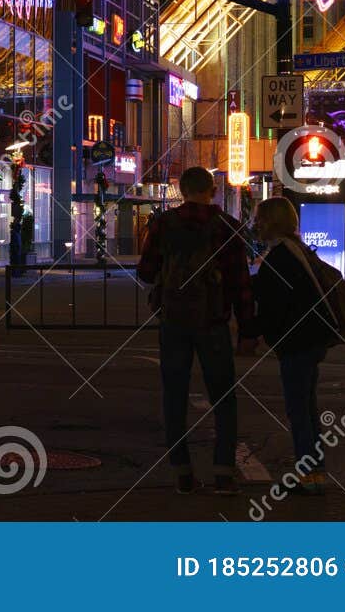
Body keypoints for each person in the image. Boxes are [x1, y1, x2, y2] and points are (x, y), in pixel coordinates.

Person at [137, 166, 259, 496]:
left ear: (181, 189)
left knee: (174, 397)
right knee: (223, 398)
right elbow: (241, 284)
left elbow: (146, 273)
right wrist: (248, 330)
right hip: (213, 323)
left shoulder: (163, 225)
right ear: (213, 191)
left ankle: (183, 472)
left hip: (174, 322)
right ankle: (222, 473)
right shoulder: (227, 228)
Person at [252, 197, 338, 497]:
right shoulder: (297, 250)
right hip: (313, 339)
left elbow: (273, 306)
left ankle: (308, 475)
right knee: (307, 409)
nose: (256, 225)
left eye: (260, 219)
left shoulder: (279, 259)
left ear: (271, 222)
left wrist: (255, 334)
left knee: (298, 411)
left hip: (297, 342)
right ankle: (316, 471)